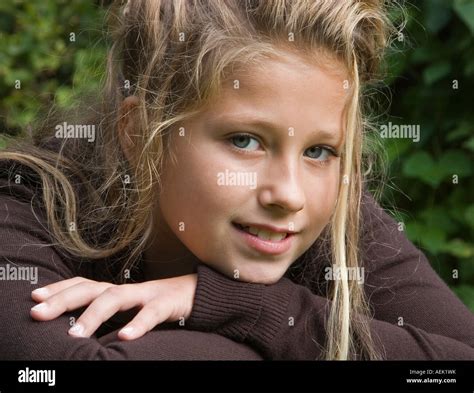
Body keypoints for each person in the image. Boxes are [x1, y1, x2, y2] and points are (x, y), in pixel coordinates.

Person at [0, 0, 473, 360]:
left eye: (319, 150)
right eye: (245, 141)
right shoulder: (23, 203)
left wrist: (240, 307)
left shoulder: (326, 213)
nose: (288, 195)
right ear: (141, 133)